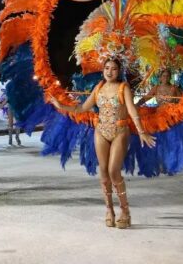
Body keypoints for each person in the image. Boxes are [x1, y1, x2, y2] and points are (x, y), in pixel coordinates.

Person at [51, 58, 156, 229]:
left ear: (119, 71)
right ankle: (109, 210)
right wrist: (60, 105)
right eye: (106, 68)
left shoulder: (124, 88)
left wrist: (142, 132)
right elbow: (81, 109)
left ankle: (125, 211)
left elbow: (132, 111)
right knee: (103, 172)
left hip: (120, 131)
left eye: (114, 69)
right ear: (103, 70)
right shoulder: (98, 88)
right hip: (101, 131)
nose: (109, 72)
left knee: (114, 171)